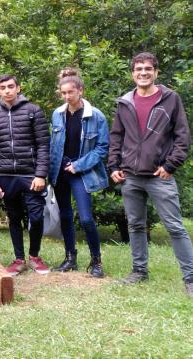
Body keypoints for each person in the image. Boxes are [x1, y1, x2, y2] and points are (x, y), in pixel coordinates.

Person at [108, 52, 193, 297]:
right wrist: (114, 166)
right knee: (135, 225)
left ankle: (190, 279)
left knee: (175, 227)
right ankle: (139, 271)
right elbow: (116, 137)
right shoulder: (125, 102)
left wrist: (170, 165)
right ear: (133, 73)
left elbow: (182, 137)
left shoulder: (170, 99)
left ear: (156, 72)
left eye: (148, 69)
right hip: (130, 176)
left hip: (160, 176)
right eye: (138, 69)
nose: (143, 73)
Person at [0, 74, 50, 276]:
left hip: (30, 174)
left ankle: (34, 256)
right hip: (5, 175)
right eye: (2, 87)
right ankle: (19, 259)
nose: (7, 90)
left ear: (18, 88)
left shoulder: (33, 111)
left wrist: (40, 174)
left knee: (36, 217)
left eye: (10, 86)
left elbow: (43, 145)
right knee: (14, 218)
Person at [48, 68, 109, 277]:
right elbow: (53, 145)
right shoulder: (57, 114)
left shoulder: (96, 115)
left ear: (80, 90)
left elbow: (102, 148)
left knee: (85, 218)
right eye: (63, 93)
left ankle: (96, 261)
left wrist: (79, 165)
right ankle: (70, 257)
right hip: (60, 171)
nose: (66, 96)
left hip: (80, 171)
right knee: (65, 215)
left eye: (70, 92)